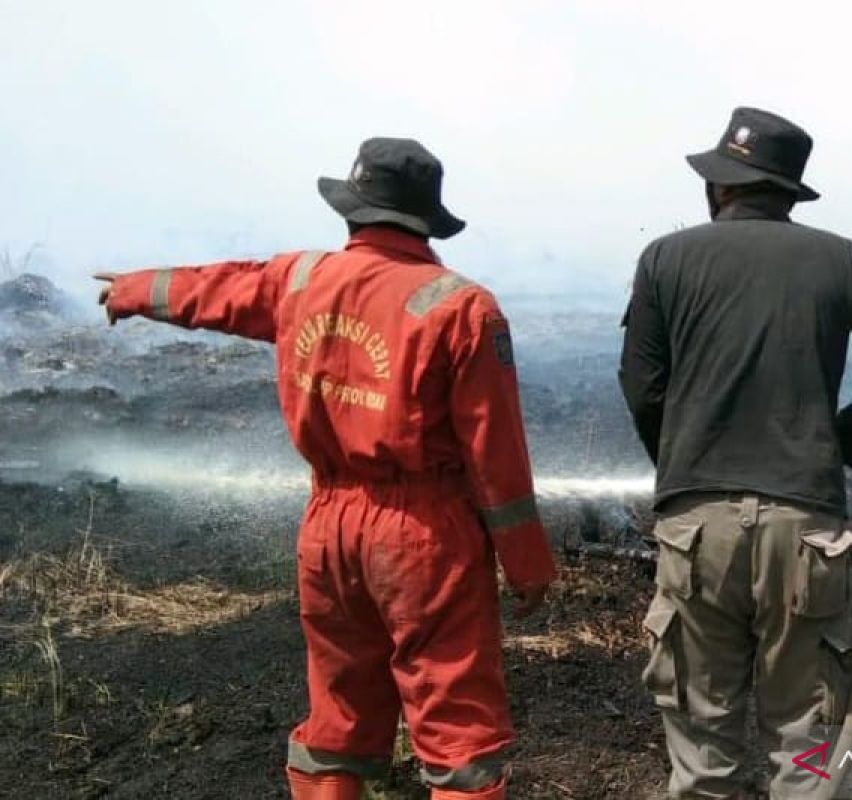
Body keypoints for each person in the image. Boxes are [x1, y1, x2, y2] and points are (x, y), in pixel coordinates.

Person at [95, 138, 557, 800]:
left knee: (340, 718)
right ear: (426, 219)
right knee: (459, 737)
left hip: (328, 533)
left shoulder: (301, 280)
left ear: (351, 212)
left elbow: (218, 290)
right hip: (424, 538)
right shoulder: (461, 307)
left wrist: (135, 289)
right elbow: (496, 452)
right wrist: (528, 561)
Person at [619, 107, 852, 799]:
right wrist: (846, 440)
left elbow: (643, 388)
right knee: (808, 753)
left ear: (720, 186)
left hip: (697, 530)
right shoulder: (843, 259)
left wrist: (681, 468)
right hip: (808, 534)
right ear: (788, 192)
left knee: (704, 761)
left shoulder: (665, 259)